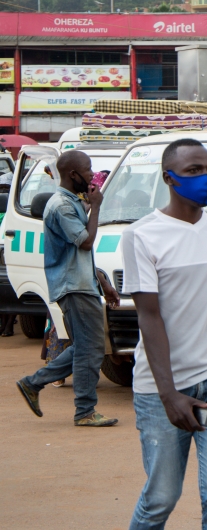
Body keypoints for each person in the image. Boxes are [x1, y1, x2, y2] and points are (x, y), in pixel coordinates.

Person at [122, 139, 207, 527]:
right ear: (169, 178)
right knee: (161, 498)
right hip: (163, 387)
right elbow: (149, 317)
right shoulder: (142, 235)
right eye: (194, 171)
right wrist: (169, 395)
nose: (206, 178)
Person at [16, 150, 121, 426]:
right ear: (73, 174)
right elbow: (85, 242)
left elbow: (79, 256)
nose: (90, 174)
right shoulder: (61, 206)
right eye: (87, 170)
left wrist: (103, 281)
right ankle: (85, 411)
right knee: (91, 348)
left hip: (81, 284)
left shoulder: (72, 202)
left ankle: (33, 383)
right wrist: (96, 206)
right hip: (73, 288)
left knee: (87, 346)